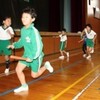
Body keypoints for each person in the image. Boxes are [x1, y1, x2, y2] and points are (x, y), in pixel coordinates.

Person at [8, 7, 53, 93]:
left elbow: (39, 46)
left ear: (33, 19)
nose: (23, 19)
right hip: (27, 54)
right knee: (18, 69)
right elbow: (22, 41)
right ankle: (24, 86)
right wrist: (14, 45)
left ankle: (46, 66)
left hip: (36, 56)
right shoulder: (23, 30)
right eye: (22, 17)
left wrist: (32, 57)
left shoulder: (34, 32)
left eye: (26, 17)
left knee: (34, 75)